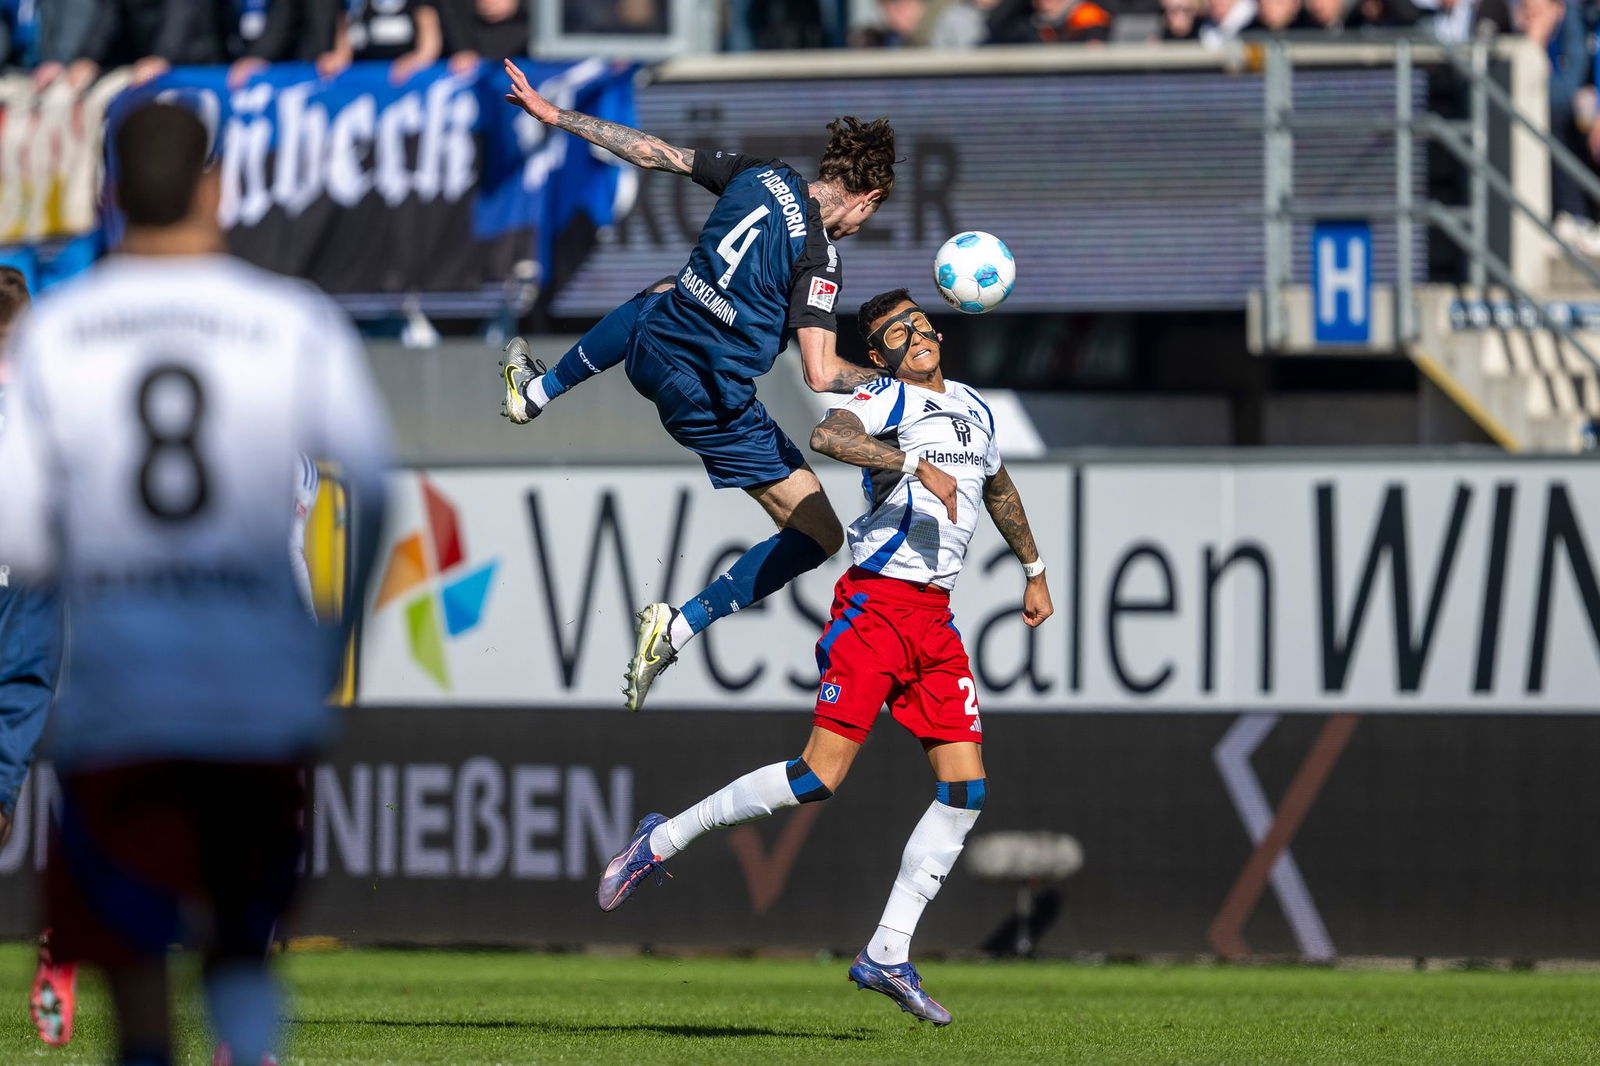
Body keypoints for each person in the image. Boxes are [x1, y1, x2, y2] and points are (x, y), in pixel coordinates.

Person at [0, 101, 390, 1066]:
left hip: (122, 691)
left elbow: (24, 533)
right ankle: (243, 1046)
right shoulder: (290, 320)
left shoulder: (58, 332)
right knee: (240, 935)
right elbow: (374, 490)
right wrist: (330, 641)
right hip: (252, 686)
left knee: (133, 952)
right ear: (216, 189)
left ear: (109, 194)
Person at [594, 288, 1054, 1026]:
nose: (914, 334)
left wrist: (1033, 569)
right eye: (895, 333)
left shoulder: (975, 406)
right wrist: (910, 463)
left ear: (937, 331)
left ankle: (888, 952)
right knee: (817, 778)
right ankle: (662, 838)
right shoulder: (887, 398)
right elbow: (829, 437)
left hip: (935, 623)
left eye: (918, 322)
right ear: (879, 356)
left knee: (966, 791)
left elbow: (998, 485)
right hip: (877, 608)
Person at [497, 60, 906, 712]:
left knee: (667, 290)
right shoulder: (820, 257)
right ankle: (677, 628)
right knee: (820, 534)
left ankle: (536, 394)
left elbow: (650, 152)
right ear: (868, 197)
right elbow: (821, 372)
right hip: (709, 401)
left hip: (648, 349)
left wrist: (555, 116)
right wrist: (899, 381)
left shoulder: (760, 172)